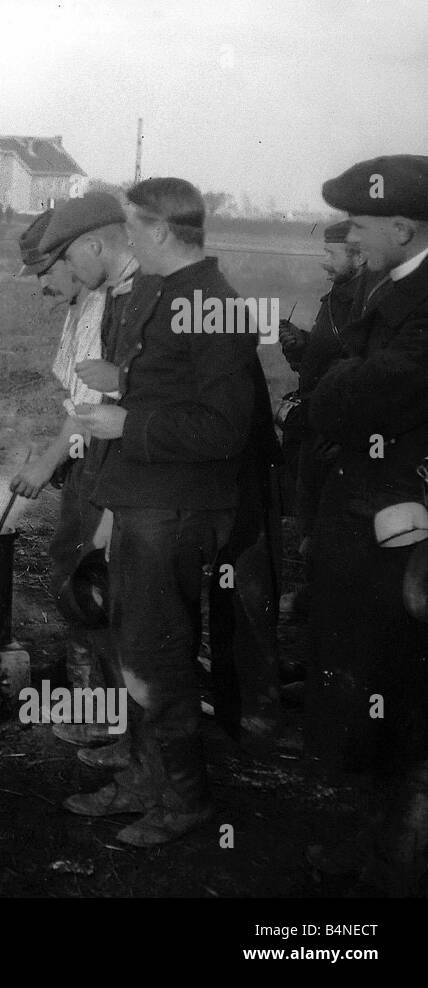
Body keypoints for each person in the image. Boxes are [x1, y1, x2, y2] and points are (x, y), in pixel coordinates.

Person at [65, 177, 259, 847]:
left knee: (160, 660)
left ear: (160, 232)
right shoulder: (172, 292)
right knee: (137, 649)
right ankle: (148, 780)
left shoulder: (211, 302)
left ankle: (185, 802)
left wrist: (128, 423)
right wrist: (124, 386)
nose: (123, 239)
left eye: (130, 227)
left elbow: (226, 427)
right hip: (146, 503)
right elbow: (177, 383)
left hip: (175, 510)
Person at [304, 154, 428, 894]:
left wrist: (333, 389)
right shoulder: (391, 283)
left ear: (403, 227)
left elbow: (362, 392)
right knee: (376, 689)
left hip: (405, 529)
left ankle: (400, 868)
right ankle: (381, 840)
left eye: (358, 223)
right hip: (372, 518)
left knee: (409, 698)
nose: (349, 235)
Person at [12, 194, 139, 759]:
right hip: (91, 457)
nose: (40, 285)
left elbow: (90, 407)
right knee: (76, 567)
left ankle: (104, 716)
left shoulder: (100, 309)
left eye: (46, 271)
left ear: (73, 256)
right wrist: (53, 452)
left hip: (111, 464)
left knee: (89, 576)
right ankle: (96, 703)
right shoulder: (82, 306)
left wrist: (46, 463)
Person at [277, 221, 371, 617]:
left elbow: (362, 375)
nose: (324, 265)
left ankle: (318, 604)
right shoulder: (338, 296)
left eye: (331, 255)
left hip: (335, 430)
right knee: (310, 515)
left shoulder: (366, 305)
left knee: (331, 526)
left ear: (359, 256)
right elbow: (324, 360)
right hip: (317, 424)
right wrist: (299, 346)